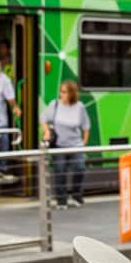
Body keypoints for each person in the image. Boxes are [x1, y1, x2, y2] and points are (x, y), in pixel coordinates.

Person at [42, 80, 91, 209]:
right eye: (61, 91)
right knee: (59, 171)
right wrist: (46, 131)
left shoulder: (79, 107)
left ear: (71, 93)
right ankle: (61, 200)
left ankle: (76, 195)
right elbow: (43, 119)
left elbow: (86, 126)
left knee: (80, 168)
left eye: (64, 92)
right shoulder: (55, 104)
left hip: (76, 145)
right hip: (59, 145)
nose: (61, 94)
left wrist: (84, 143)